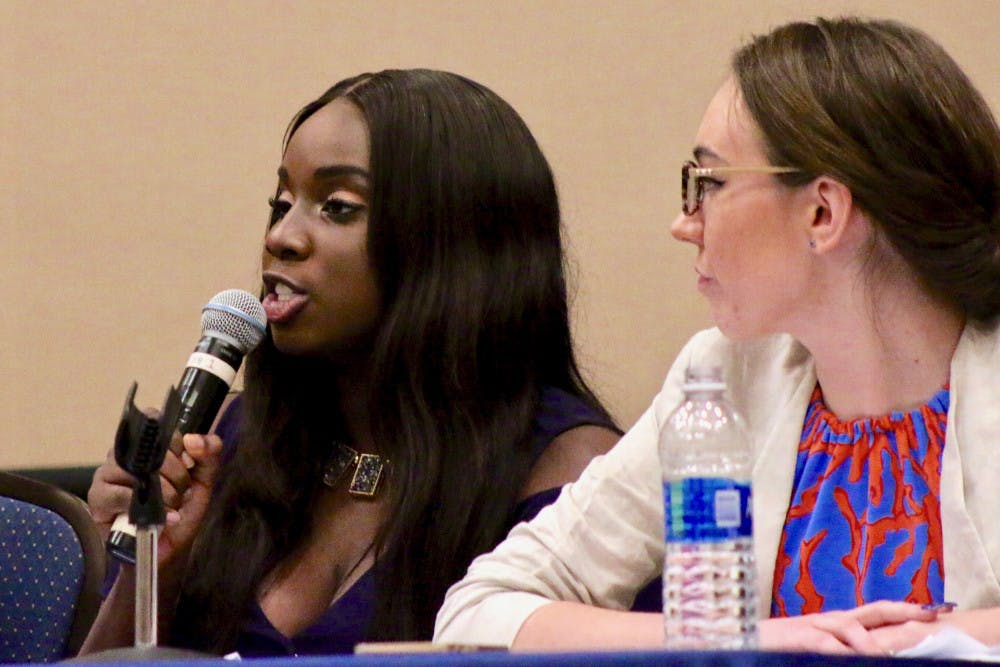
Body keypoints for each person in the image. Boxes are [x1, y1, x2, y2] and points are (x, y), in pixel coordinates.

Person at [435, 17, 1000, 655]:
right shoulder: (723, 376)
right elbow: (481, 609)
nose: (685, 222)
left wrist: (913, 641)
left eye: (709, 184)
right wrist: (750, 638)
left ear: (823, 212)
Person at [80, 69, 621, 657]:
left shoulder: (570, 479)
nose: (282, 237)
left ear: (453, 243)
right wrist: (152, 571)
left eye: (336, 207)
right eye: (281, 202)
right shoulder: (228, 443)